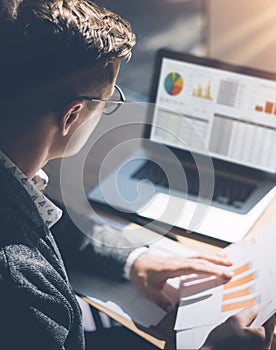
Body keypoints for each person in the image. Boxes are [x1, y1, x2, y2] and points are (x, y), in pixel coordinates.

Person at [0, 1, 274, 349]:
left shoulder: (16, 185)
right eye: (108, 101)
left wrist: (134, 259)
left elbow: (48, 221)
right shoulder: (19, 284)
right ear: (72, 117)